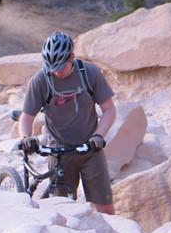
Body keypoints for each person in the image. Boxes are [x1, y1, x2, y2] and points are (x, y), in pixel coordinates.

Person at [19, 31, 117, 214]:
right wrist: (26, 137)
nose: (56, 71)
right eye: (51, 67)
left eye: (60, 67)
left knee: (105, 208)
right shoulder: (40, 80)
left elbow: (109, 110)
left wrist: (98, 136)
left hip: (90, 150)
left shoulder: (90, 74)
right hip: (59, 153)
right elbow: (26, 117)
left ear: (72, 57)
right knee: (63, 211)